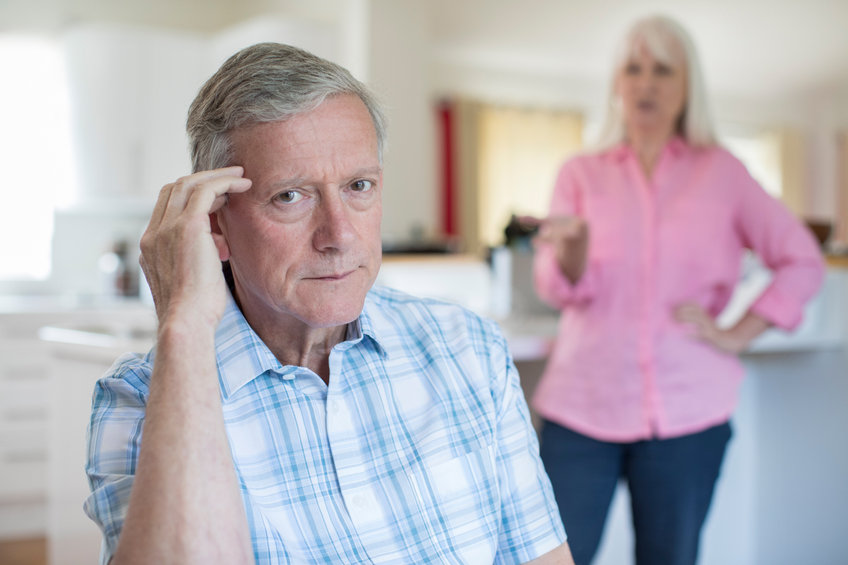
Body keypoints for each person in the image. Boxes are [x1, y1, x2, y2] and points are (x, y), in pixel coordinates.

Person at [83, 42, 574, 565]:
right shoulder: (140, 403)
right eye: (291, 196)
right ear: (214, 223)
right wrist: (182, 324)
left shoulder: (470, 349)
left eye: (359, 186)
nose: (339, 235)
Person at [526, 15, 825, 565]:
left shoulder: (725, 173)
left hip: (690, 410)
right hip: (581, 406)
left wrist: (737, 334)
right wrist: (570, 255)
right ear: (617, 84)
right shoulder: (580, 173)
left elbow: (802, 260)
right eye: (633, 69)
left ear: (687, 85)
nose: (646, 83)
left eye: (663, 70)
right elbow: (554, 286)